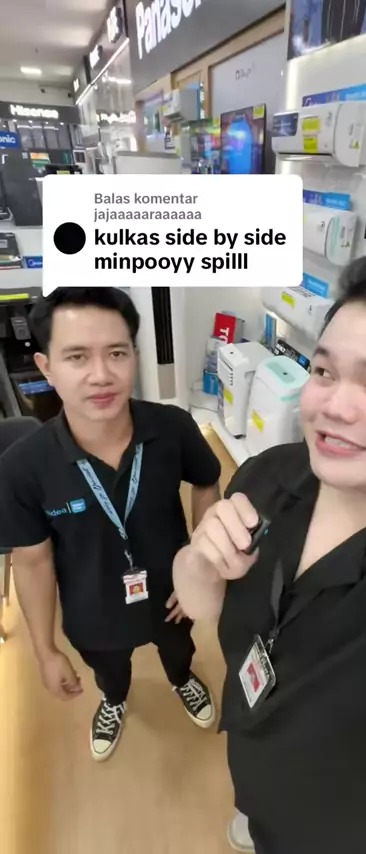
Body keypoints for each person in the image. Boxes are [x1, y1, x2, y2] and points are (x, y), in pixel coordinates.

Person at [173, 254, 366, 854]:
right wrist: (200, 560)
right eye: (323, 370)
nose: (333, 406)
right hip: (257, 764)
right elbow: (203, 606)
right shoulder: (271, 476)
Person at [0, 287, 221, 761]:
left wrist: (199, 567)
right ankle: (114, 699)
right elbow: (33, 562)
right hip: (91, 608)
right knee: (109, 670)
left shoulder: (173, 427)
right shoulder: (22, 468)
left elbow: (207, 483)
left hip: (172, 594)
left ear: (134, 356)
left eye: (117, 353)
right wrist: (45, 650)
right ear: (46, 367)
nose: (101, 375)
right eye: (77, 356)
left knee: (178, 651)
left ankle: (182, 678)